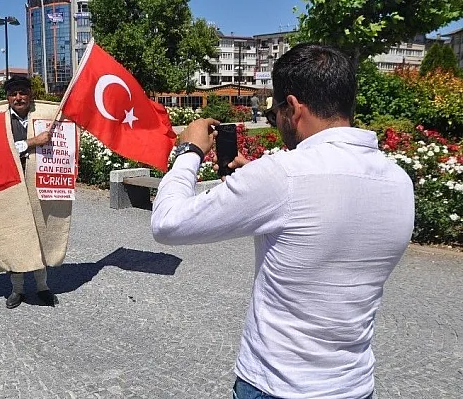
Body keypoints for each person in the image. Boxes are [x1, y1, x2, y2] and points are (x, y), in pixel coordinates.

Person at [151, 43, 414, 399]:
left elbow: (168, 223)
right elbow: (324, 207)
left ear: (293, 107)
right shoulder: (399, 180)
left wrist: (189, 152)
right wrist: (258, 178)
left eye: (276, 110)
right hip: (354, 384)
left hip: (278, 384)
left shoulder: (282, 177)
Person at [2, 75, 57, 309]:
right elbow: (3, 150)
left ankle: (42, 286)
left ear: (30, 95)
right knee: (15, 235)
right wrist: (33, 142)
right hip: (11, 185)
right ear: (7, 98)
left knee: (40, 232)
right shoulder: (0, 121)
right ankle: (17, 289)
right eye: (14, 94)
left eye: (22, 93)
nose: (18, 98)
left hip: (38, 183)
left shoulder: (42, 117)